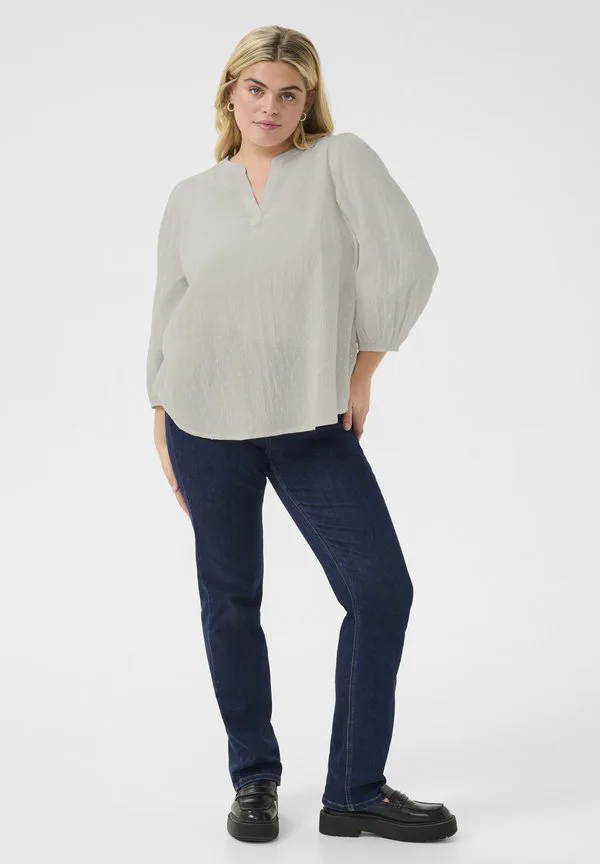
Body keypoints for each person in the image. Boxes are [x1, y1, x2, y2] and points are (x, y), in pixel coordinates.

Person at [146, 24, 457, 845]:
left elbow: (409, 262)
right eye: (257, 89)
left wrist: (362, 370)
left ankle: (354, 789)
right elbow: (169, 306)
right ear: (230, 92)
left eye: (290, 93)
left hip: (311, 420)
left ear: (308, 100)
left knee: (380, 592)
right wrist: (159, 412)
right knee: (230, 603)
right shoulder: (191, 197)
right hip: (202, 419)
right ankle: (254, 781)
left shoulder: (336, 162)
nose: (271, 107)